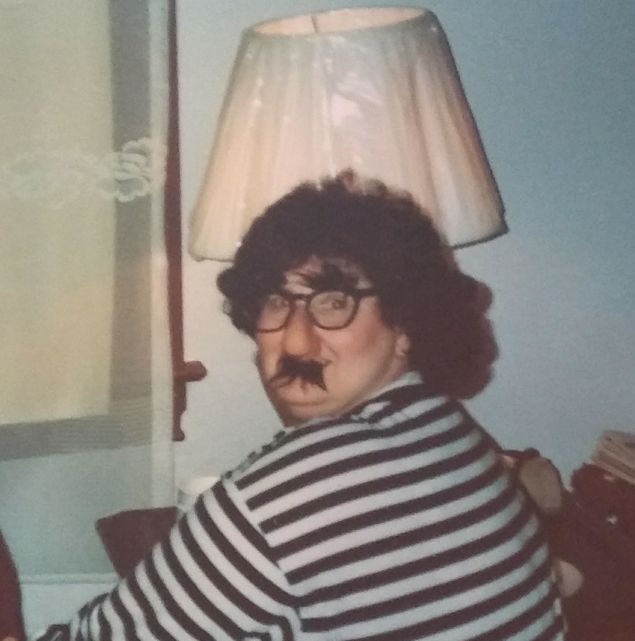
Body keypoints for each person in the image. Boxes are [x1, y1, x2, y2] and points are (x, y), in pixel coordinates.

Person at [45, 172, 565, 640]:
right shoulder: (451, 433)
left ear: (406, 323)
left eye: (335, 302)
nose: (295, 342)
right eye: (276, 301)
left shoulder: (286, 499)